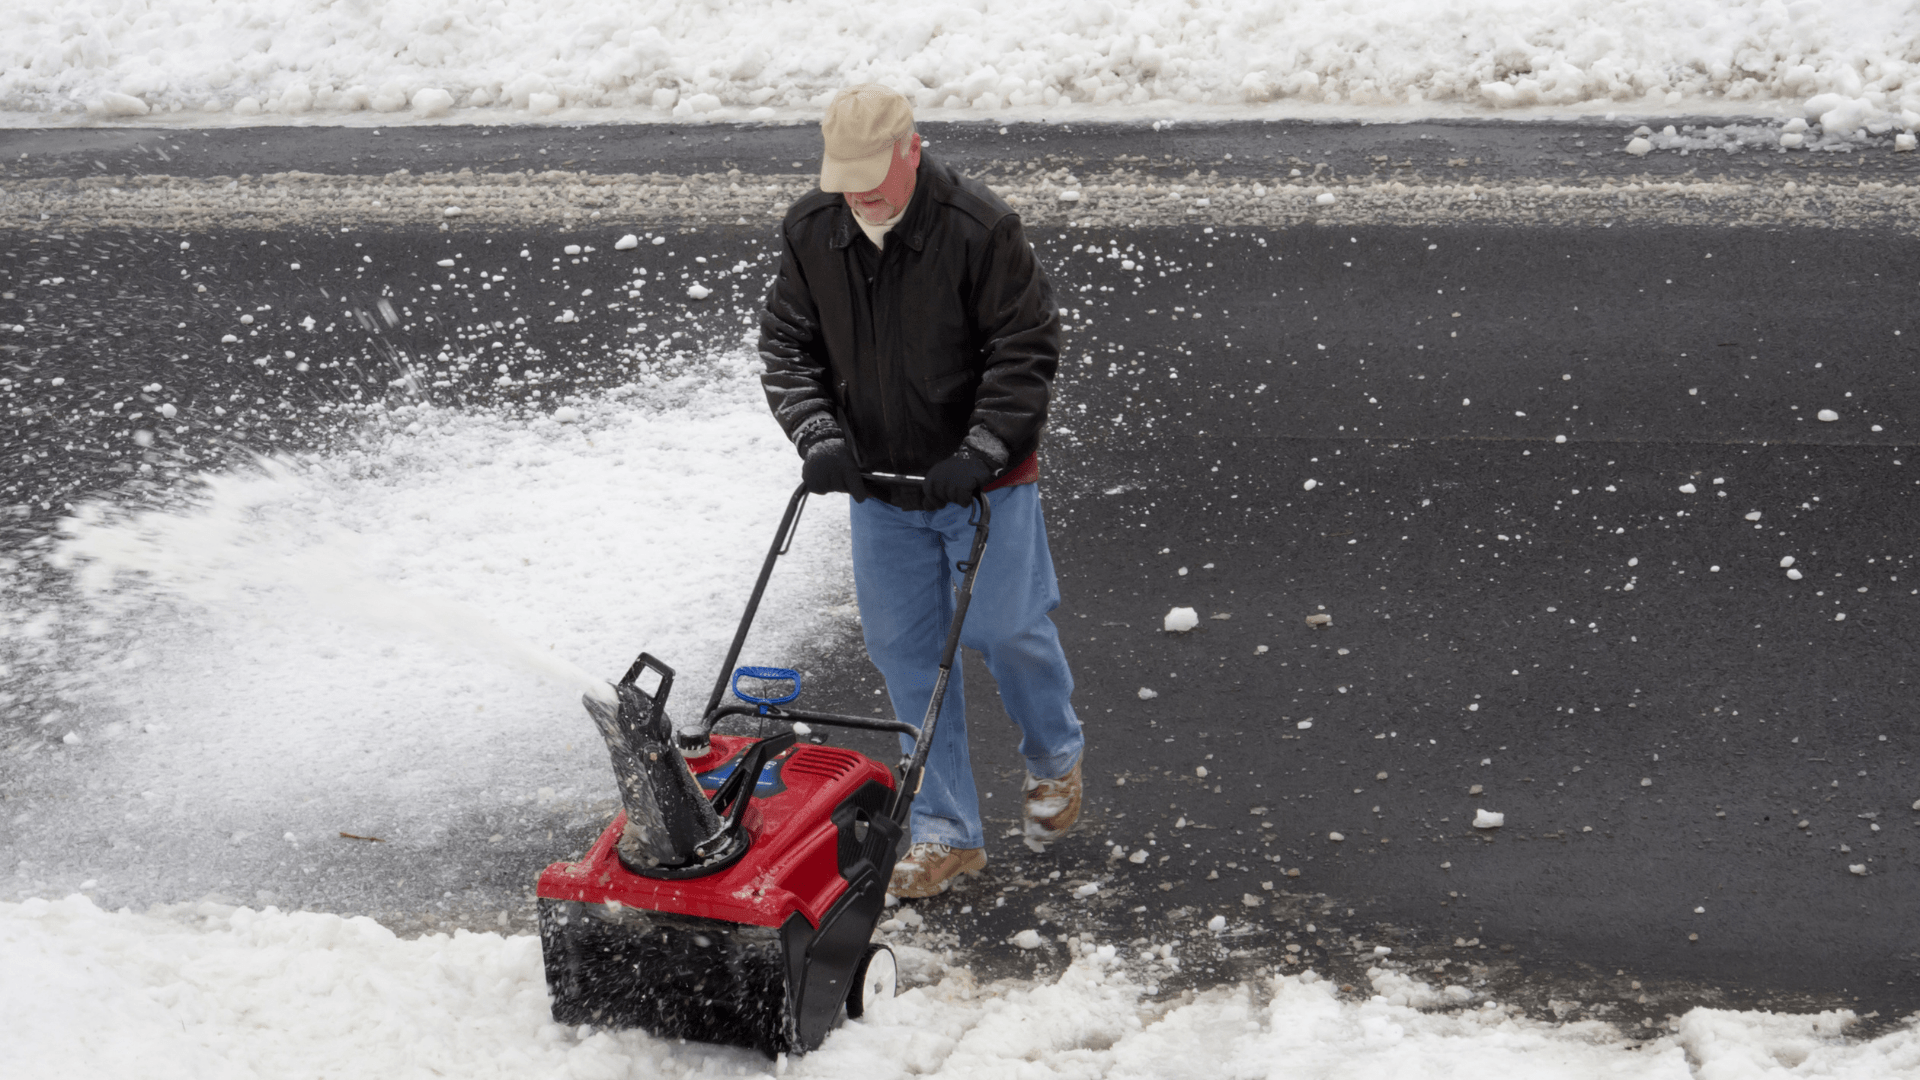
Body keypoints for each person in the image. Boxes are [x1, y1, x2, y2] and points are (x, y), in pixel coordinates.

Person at [758, 84, 1084, 899]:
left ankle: (1055, 760)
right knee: (907, 658)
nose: (861, 192)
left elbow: (1025, 348)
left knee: (1008, 632)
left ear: (912, 148)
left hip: (984, 485)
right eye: (847, 176)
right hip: (882, 489)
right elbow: (788, 347)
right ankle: (948, 833)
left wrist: (980, 450)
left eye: (875, 172)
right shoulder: (813, 230)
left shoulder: (980, 228)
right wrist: (821, 438)